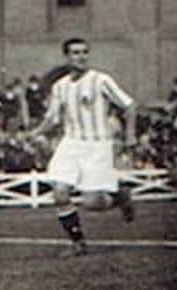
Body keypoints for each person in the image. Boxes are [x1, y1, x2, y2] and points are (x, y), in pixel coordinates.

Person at [29, 37, 137, 256]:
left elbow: (129, 105)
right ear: (67, 57)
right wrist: (36, 132)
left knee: (93, 203)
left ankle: (121, 197)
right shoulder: (60, 86)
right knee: (59, 192)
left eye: (85, 52)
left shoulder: (101, 80)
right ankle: (78, 243)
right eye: (76, 53)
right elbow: (52, 119)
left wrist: (130, 134)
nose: (81, 57)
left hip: (97, 145)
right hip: (71, 143)